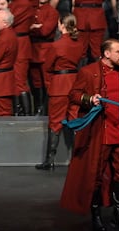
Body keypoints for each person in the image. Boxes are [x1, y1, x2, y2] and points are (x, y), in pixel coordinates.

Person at [60, 39, 119, 231]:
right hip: (100, 133)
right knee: (95, 175)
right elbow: (73, 95)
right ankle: (96, 216)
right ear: (106, 54)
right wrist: (89, 99)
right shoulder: (88, 72)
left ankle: (118, 214)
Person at [35, 13, 83, 170]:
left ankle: (50, 160)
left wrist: (49, 83)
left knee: (55, 123)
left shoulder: (56, 45)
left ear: (61, 25)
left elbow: (47, 66)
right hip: (75, 84)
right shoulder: (79, 44)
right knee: (75, 121)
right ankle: (79, 159)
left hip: (59, 86)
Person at [29, 0, 59, 115]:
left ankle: (47, 109)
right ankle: (38, 108)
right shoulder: (32, 10)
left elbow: (45, 31)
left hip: (45, 50)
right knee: (35, 82)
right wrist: (35, 27)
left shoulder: (52, 12)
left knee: (46, 81)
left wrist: (33, 28)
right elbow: (26, 28)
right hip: (33, 49)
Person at [7, 0, 35, 116]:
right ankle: (20, 111)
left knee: (19, 79)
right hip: (15, 44)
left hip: (21, 46)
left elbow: (10, 20)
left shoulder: (23, 3)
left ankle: (26, 113)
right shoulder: (15, 3)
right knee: (16, 78)